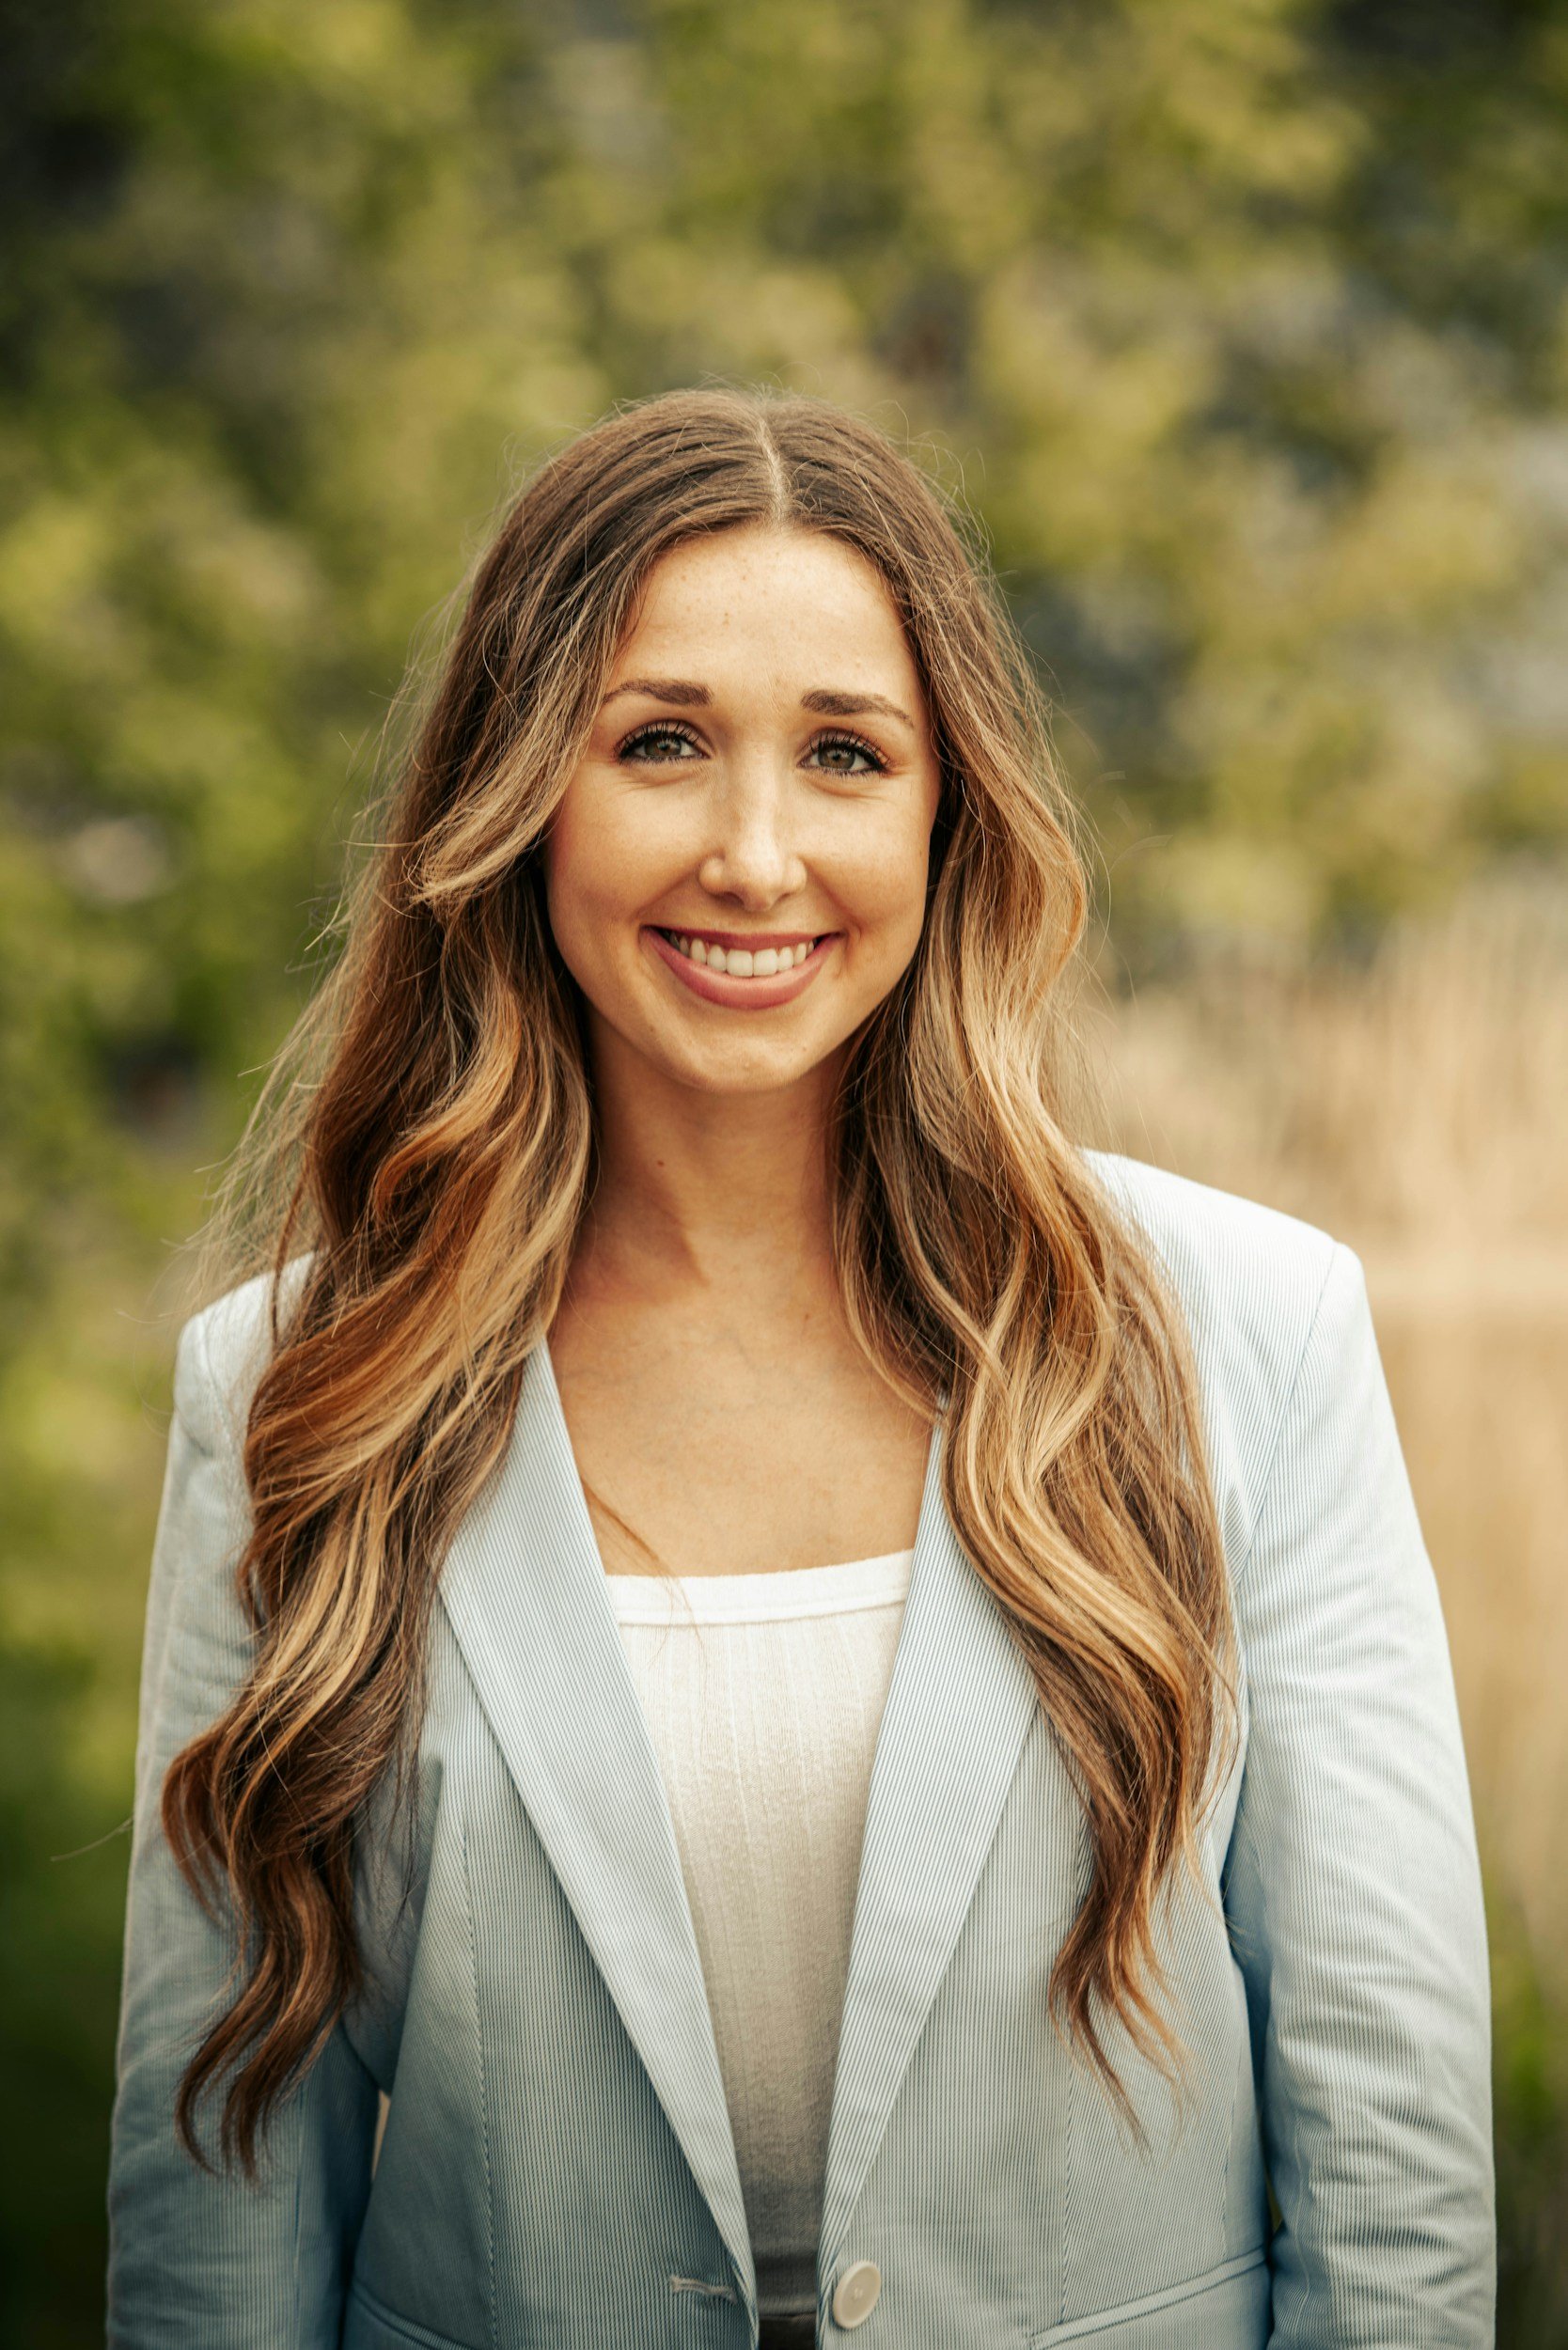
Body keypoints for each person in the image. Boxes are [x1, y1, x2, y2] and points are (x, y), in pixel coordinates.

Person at [107, 387, 1494, 2350]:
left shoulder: (1246, 1333)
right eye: (659, 741)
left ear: (948, 810)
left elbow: (1397, 2153)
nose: (757, 854)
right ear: (519, 795)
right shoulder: (295, 1388)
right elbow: (219, 2190)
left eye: (846, 753)